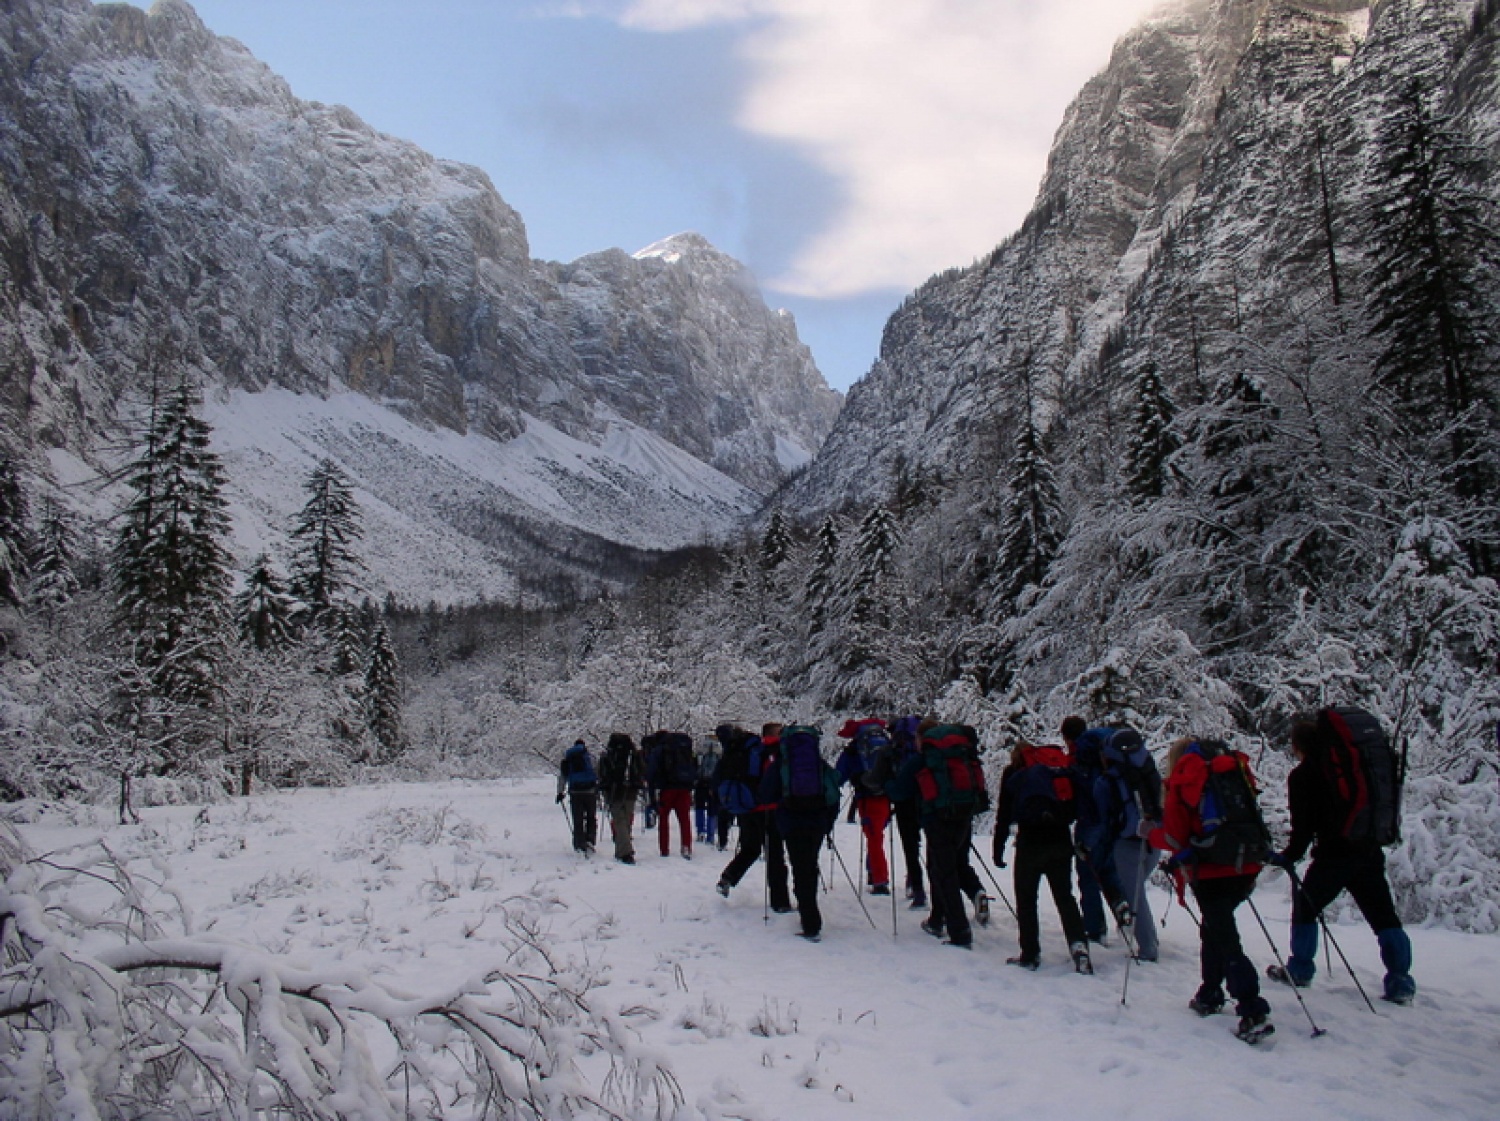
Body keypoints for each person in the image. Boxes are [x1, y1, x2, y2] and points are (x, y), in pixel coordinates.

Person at [1269, 717, 1415, 1004]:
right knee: (1384, 916)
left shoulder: (1304, 775)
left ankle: (1300, 969)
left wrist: (1288, 856)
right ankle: (1401, 981)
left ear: (1298, 746)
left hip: (1333, 855)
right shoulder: (1354, 768)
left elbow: (1303, 826)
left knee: (1305, 907)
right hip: (1369, 850)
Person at [1148, 737, 1274, 1044]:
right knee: (1214, 928)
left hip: (1211, 870)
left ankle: (1250, 1005)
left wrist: (1151, 834)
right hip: (1246, 865)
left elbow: (1176, 838)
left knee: (1225, 937)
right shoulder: (1233, 771)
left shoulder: (1186, 778)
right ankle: (1210, 991)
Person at [993, 741, 1091, 972]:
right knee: (1065, 896)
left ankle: (1030, 953)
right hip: (1060, 838)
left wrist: (998, 848)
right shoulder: (1057, 772)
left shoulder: (1015, 773)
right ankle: (1079, 946)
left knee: (1026, 898)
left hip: (1030, 841)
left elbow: (1004, 814)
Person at [898, 722, 989, 949]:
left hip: (937, 820)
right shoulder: (959, 754)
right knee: (954, 865)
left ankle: (958, 931)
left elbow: (899, 789)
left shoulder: (923, 759)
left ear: (921, 738)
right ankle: (941, 916)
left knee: (943, 873)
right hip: (963, 815)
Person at [758, 723, 841, 941]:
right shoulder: (819, 765)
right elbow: (834, 794)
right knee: (809, 865)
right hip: (816, 822)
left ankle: (810, 921)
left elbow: (765, 794)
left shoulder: (781, 765)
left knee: (800, 867)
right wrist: (827, 822)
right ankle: (809, 913)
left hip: (791, 822)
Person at [1088, 728, 1162, 962]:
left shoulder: (1108, 780)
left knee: (1134, 894)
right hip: (1153, 837)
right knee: (1137, 890)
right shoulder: (1147, 769)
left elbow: (1104, 817)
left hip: (1127, 841)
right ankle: (1149, 938)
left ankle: (1148, 949)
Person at [715, 724, 791, 913]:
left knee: (750, 848)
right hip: (769, 808)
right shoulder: (772, 751)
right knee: (774, 853)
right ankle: (780, 901)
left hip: (746, 807)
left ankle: (728, 877)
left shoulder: (746, 749)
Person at [836, 717, 893, 895]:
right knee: (877, 836)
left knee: (874, 838)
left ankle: (879, 880)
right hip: (886, 797)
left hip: (867, 798)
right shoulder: (887, 744)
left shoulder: (854, 750)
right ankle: (874, 872)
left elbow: (839, 776)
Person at [646, 730, 698, 859]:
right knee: (684, 819)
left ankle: (664, 849)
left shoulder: (660, 749)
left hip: (666, 788)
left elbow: (651, 772)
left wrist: (652, 793)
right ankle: (686, 847)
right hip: (684, 788)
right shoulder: (685, 747)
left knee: (663, 818)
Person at [596, 731, 644, 864]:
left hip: (613, 791)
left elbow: (601, 773)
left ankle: (625, 852)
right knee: (626, 819)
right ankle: (622, 849)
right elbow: (641, 770)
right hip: (630, 791)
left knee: (619, 820)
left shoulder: (608, 755)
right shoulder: (634, 755)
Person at [557, 738, 598, 854]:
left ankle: (579, 843)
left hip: (575, 792)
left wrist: (560, 792)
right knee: (591, 816)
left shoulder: (568, 759)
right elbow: (598, 772)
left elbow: (562, 777)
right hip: (590, 791)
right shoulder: (590, 758)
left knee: (577, 818)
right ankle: (590, 839)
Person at [694, 739, 721, 846]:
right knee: (712, 809)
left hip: (700, 782)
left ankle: (700, 831)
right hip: (713, 783)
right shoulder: (718, 752)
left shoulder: (700, 751)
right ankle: (710, 835)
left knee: (699, 807)